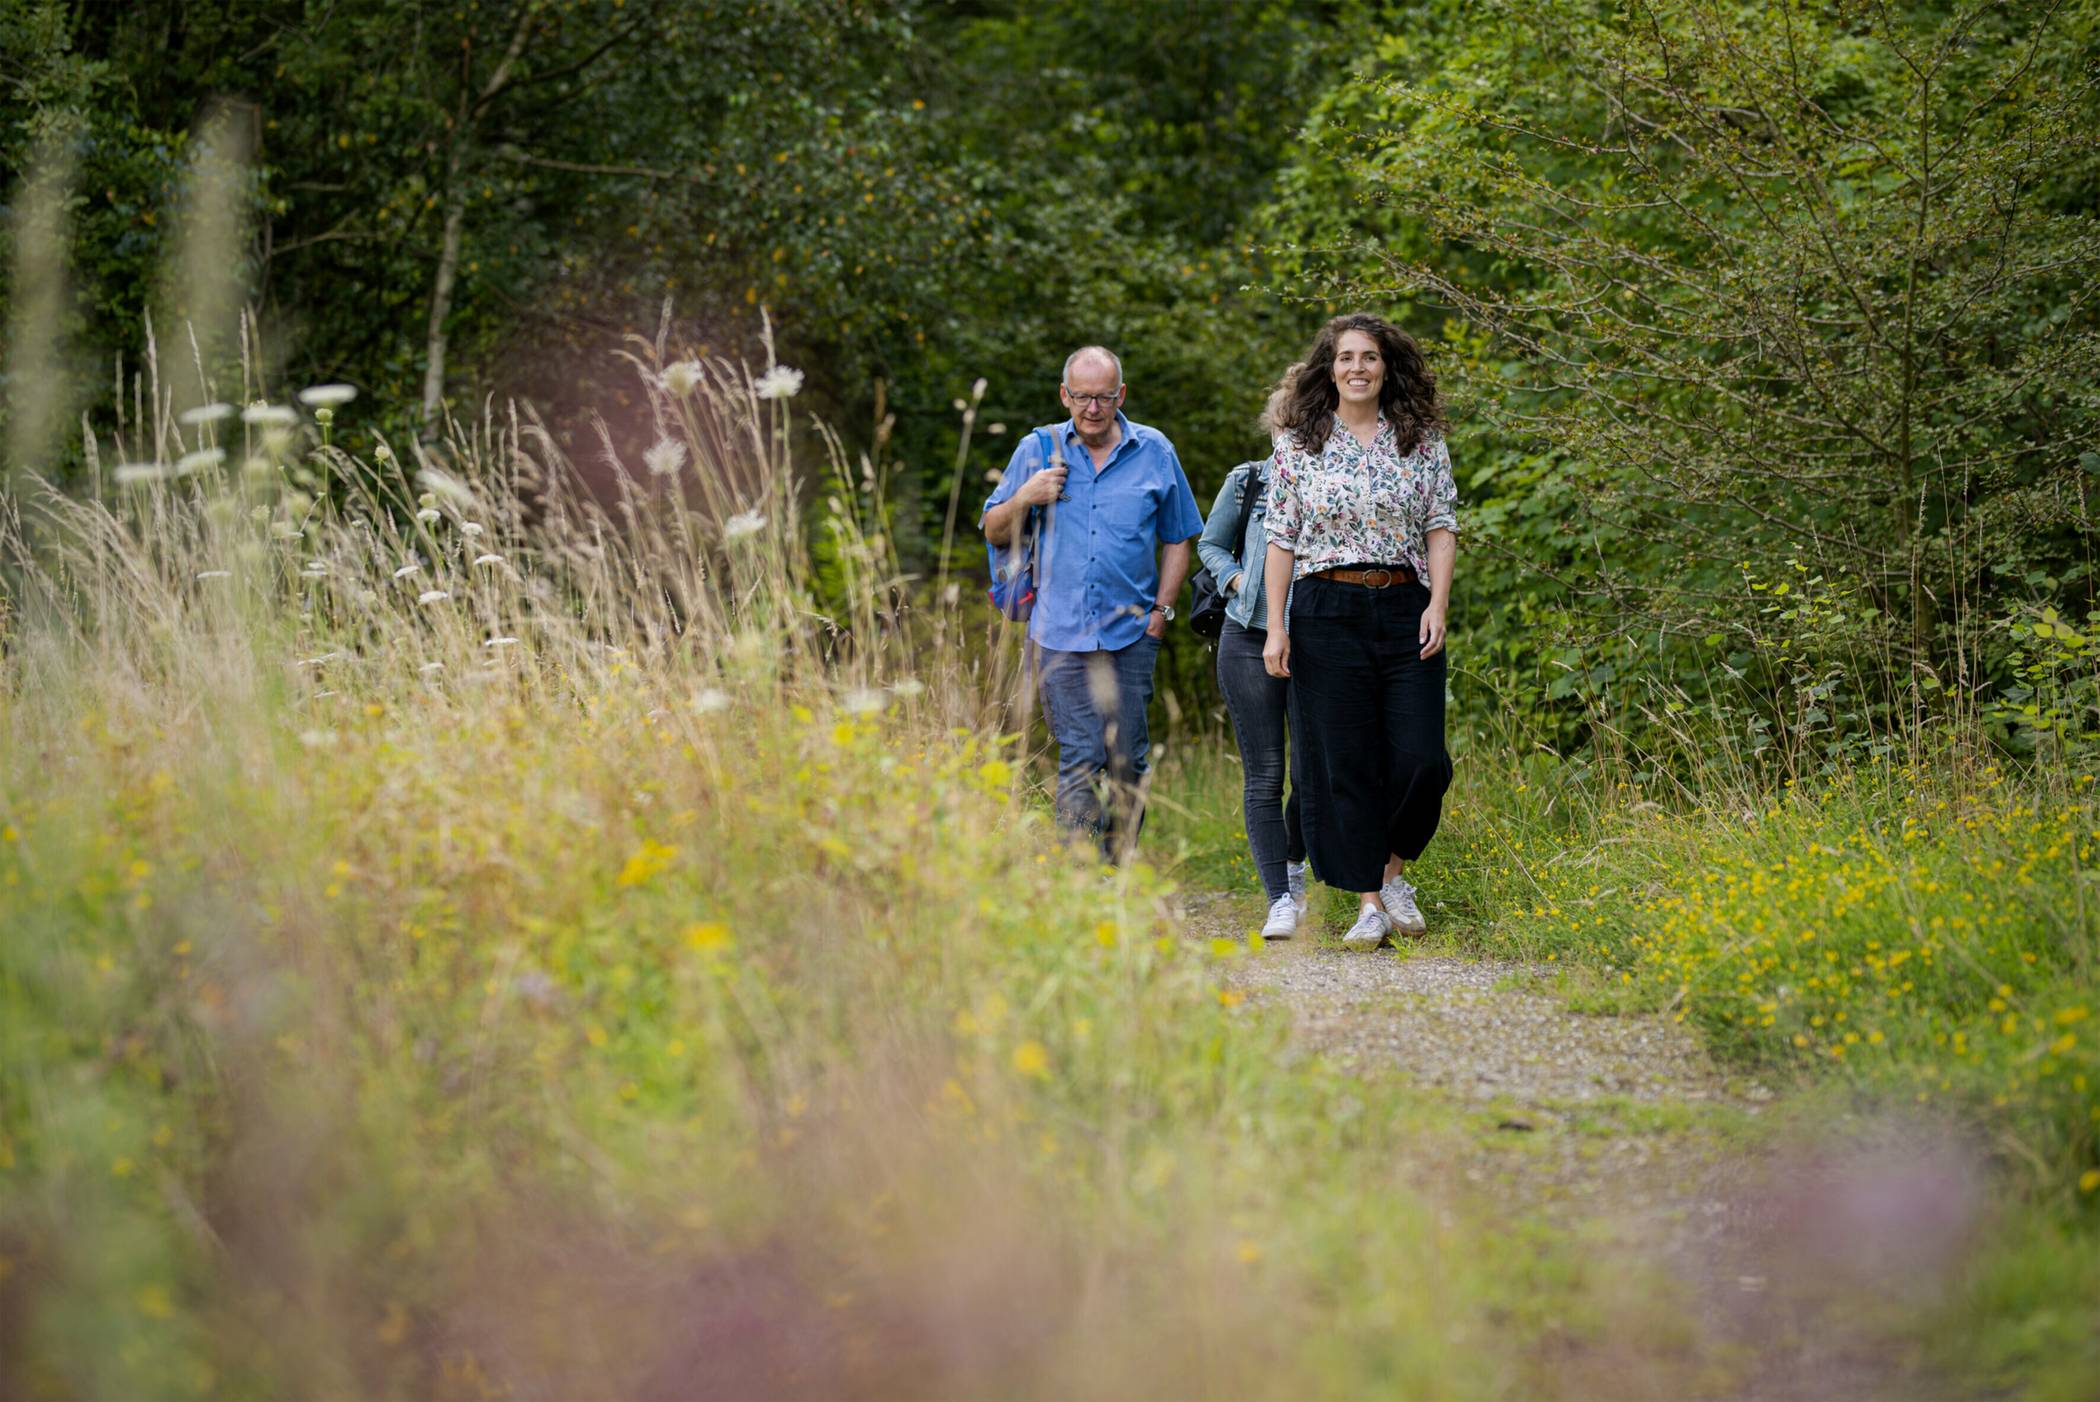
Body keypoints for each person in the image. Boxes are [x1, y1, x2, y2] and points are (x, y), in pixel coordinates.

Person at [1261, 313, 1458, 950]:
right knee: (1343, 761)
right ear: (1330, 367)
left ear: (1386, 366)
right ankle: (1370, 901)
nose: (1357, 368)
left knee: (1421, 757)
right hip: (1324, 607)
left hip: (1406, 605)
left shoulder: (1420, 438)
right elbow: (1280, 539)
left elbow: (1441, 522)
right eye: (1345, 357)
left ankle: (1395, 867)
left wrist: (1439, 603)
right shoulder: (1298, 442)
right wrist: (1275, 626)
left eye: (1369, 357)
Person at [982, 346, 1204, 858]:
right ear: (1065, 396)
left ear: (1120, 395)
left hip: (1131, 633)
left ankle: (1116, 862)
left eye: (1104, 397)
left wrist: (1160, 615)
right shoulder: (1035, 451)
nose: (1093, 408)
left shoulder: (1155, 450)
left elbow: (1179, 537)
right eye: (1082, 397)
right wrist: (1025, 497)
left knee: (1127, 759)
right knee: (1080, 755)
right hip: (1057, 631)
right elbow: (993, 530)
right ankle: (1082, 876)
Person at [1196, 368, 1309, 938]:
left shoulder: (1334, 487)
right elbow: (1210, 544)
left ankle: (1296, 863)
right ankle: (1280, 899)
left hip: (1318, 642)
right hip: (1247, 638)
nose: (1289, 437)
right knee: (1265, 776)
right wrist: (1238, 581)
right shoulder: (1248, 481)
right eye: (1284, 425)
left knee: (1314, 773)